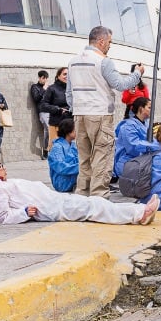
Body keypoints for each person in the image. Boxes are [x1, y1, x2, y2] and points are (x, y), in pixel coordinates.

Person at [67, 26, 143, 197]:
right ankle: (99, 197)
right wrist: (137, 74)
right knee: (102, 156)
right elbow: (121, 85)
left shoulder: (73, 61)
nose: (110, 45)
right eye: (109, 42)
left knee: (84, 158)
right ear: (101, 41)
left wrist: (76, 109)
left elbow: (69, 93)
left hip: (79, 115)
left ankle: (82, 195)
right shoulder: (103, 61)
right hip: (100, 114)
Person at [0, 158, 158, 225]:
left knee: (94, 204)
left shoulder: (3, 184)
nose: (4, 168)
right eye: (0, 166)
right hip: (52, 207)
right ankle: (139, 213)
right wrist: (23, 213)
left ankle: (138, 212)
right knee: (94, 206)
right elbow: (1, 217)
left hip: (55, 201)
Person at [113, 96, 161, 179]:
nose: (152, 110)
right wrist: (156, 146)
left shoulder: (146, 124)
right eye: (149, 107)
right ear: (141, 108)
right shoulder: (128, 126)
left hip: (142, 161)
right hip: (129, 164)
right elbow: (133, 147)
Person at [48, 118, 80, 192]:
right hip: (62, 183)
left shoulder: (73, 145)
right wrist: (81, 167)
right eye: (75, 129)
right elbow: (61, 168)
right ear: (68, 131)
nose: (77, 131)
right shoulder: (57, 147)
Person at [39, 67, 71, 136]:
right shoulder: (52, 88)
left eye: (69, 74)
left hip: (71, 124)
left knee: (72, 146)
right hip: (56, 124)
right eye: (64, 74)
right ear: (58, 76)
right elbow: (43, 105)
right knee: (54, 146)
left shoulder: (73, 89)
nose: (67, 76)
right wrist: (58, 109)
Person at [30, 70, 51, 158]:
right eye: (43, 78)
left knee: (53, 131)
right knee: (48, 129)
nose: (44, 80)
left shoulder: (49, 87)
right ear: (39, 78)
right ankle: (46, 150)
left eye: (46, 78)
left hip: (51, 111)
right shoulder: (35, 87)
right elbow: (36, 98)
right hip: (43, 112)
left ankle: (50, 150)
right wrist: (44, 89)